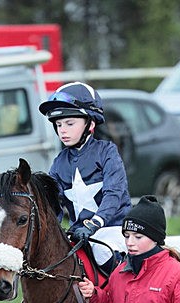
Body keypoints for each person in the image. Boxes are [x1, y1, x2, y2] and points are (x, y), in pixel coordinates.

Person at [39, 81, 131, 272]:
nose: (62, 130)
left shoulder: (107, 152)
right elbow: (52, 205)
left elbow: (114, 194)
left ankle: (121, 295)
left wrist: (94, 224)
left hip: (113, 230)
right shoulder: (58, 163)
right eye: (58, 124)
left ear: (90, 123)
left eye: (70, 123)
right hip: (80, 235)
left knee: (101, 252)